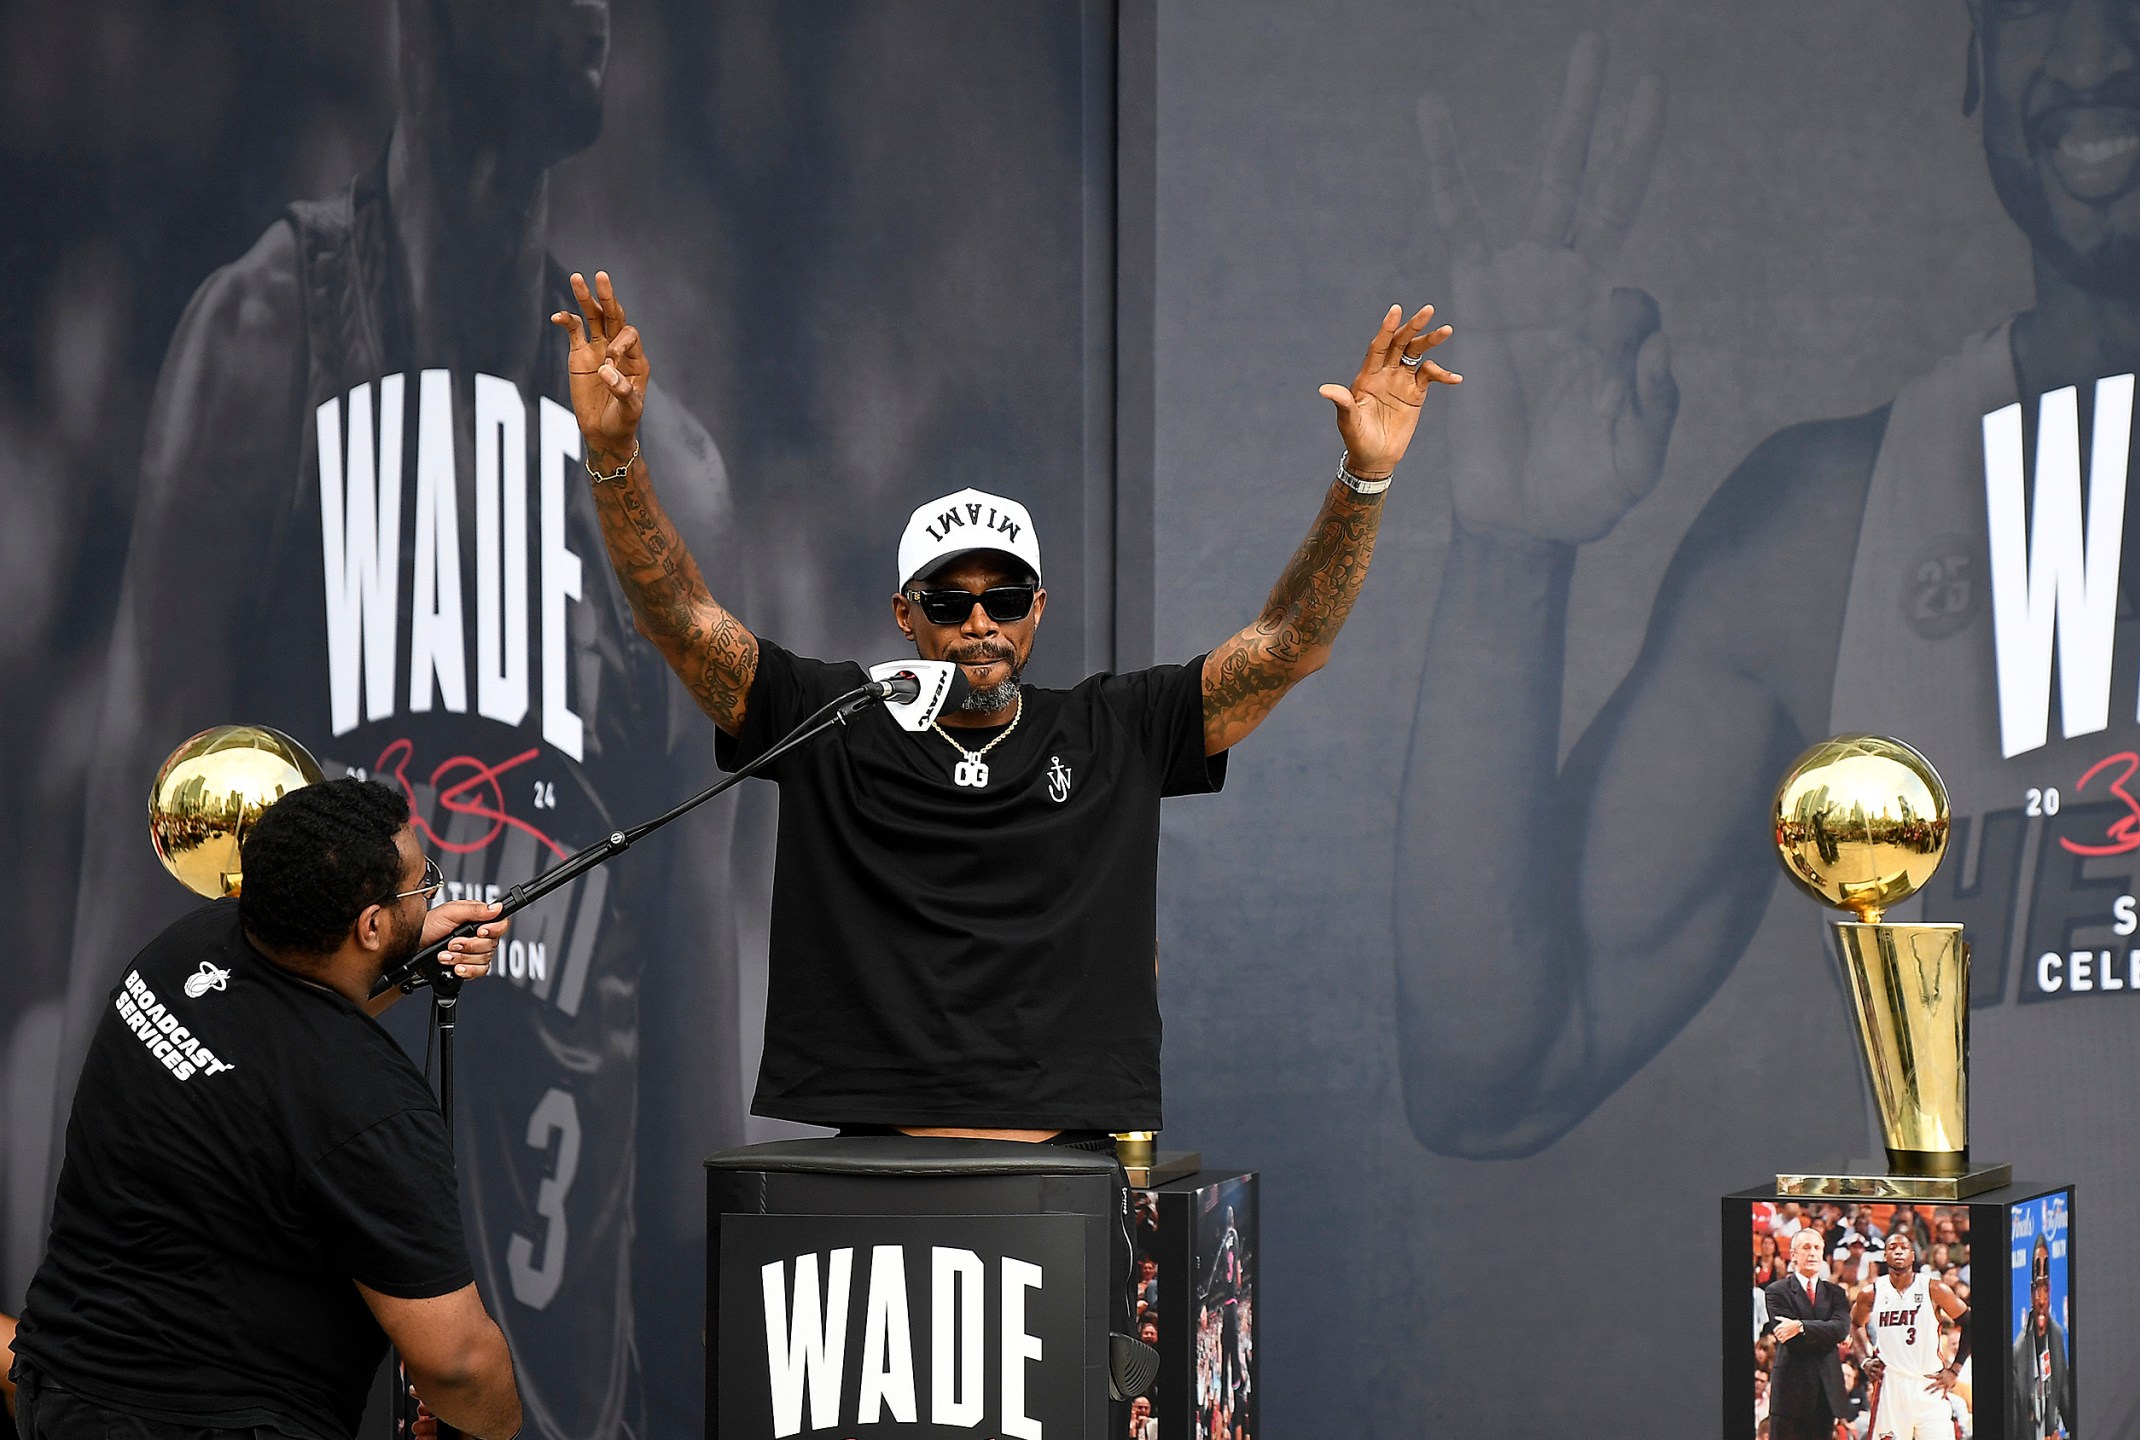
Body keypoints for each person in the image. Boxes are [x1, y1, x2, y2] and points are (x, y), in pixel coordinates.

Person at [1394, 11, 2140, 1429]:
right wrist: (1511, 545)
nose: (2088, 48)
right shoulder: (1819, 535)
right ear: (1971, 60)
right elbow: (1488, 1075)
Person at [547, 268, 1457, 1392]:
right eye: (947, 599)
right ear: (903, 615)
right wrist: (617, 459)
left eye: (1003, 596)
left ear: (1038, 609)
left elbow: (1287, 642)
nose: (977, 621)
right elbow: (681, 618)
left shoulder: (1118, 727)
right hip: (860, 1191)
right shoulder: (839, 717)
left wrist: (1362, 479)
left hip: (1065, 1184)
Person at [56, 3, 738, 1434]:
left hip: (553, 1379)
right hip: (282, 1377)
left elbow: (685, 1065)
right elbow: (134, 930)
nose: (602, 15)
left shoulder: (661, 476)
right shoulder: (266, 348)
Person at [12, 778, 519, 1440]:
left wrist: (413, 952)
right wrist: (500, 1425)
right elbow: (456, 1366)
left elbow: (284, 1025)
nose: (431, 898)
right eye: (424, 888)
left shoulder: (184, 948)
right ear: (368, 925)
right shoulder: (369, 1105)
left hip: (61, 1392)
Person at [1855, 1233, 1969, 1440]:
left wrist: (1955, 1369)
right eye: (1892, 1247)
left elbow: (1970, 1323)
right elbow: (1854, 1325)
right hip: (1891, 1387)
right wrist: (1864, 1360)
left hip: (1930, 1386)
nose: (1898, 1251)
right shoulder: (1871, 1293)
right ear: (1885, 1255)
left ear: (1913, 1255)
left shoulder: (1934, 1288)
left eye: (1903, 1247)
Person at [1761, 1230, 1852, 1440]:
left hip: (1826, 1392)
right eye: (1806, 1247)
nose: (1812, 1253)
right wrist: (1828, 1334)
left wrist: (1801, 1325)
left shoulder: (1836, 1293)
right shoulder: (1776, 1291)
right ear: (1793, 1255)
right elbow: (1792, 1341)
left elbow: (1841, 1329)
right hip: (1790, 1393)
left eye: (1817, 1248)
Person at [2009, 1262, 2071, 1439]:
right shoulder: (2018, 1353)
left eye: (2045, 1289)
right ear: (2030, 1294)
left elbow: (2065, 1396)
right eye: (2037, 1289)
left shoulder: (2057, 1335)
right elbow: (2013, 1424)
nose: (2042, 1300)